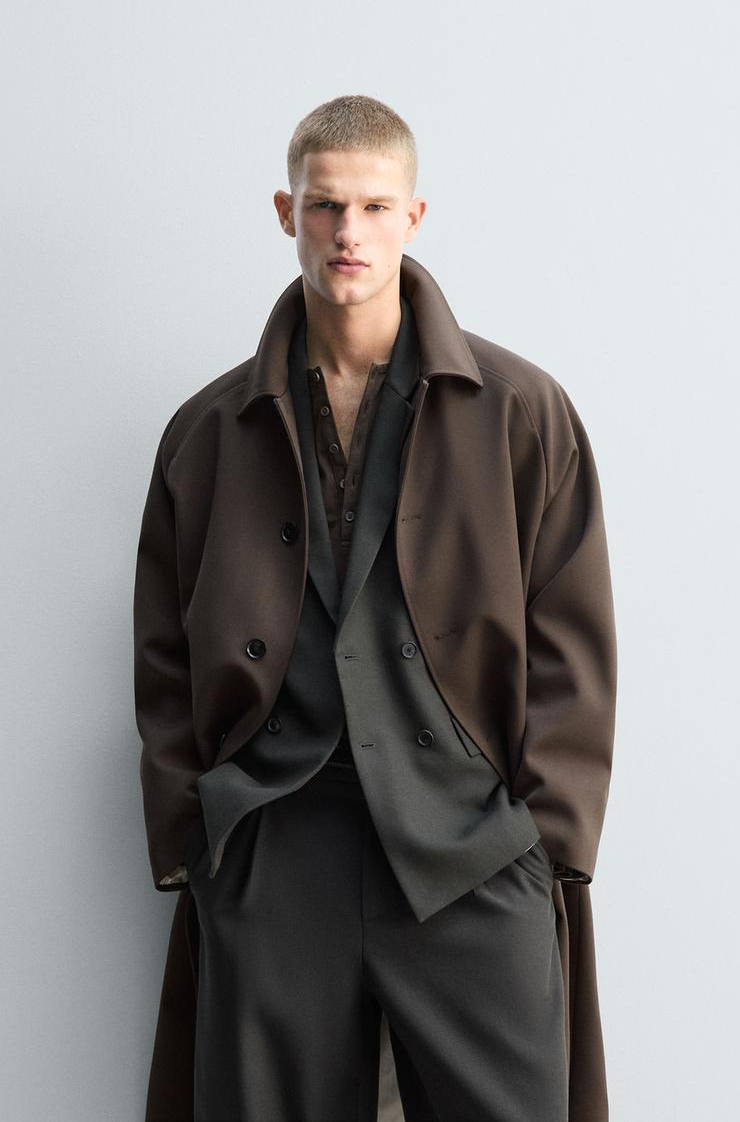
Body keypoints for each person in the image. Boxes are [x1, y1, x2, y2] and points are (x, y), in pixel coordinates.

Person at [134, 94, 617, 1122]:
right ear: (286, 211)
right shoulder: (209, 431)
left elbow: (574, 639)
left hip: (471, 849)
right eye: (323, 206)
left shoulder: (521, 411)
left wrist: (545, 844)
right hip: (276, 842)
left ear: (414, 216)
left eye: (372, 206)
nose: (347, 231)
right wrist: (195, 839)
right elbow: (163, 651)